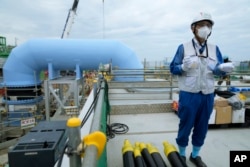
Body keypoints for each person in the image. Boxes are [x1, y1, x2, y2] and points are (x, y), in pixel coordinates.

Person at [170, 12, 234, 167]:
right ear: (193, 28)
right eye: (201, 25)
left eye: (208, 25)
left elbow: (217, 69)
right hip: (189, 94)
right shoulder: (183, 47)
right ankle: (182, 154)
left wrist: (223, 69)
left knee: (202, 126)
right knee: (185, 125)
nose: (205, 28)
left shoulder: (214, 48)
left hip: (207, 95)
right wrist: (182, 67)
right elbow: (173, 68)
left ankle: (195, 155)